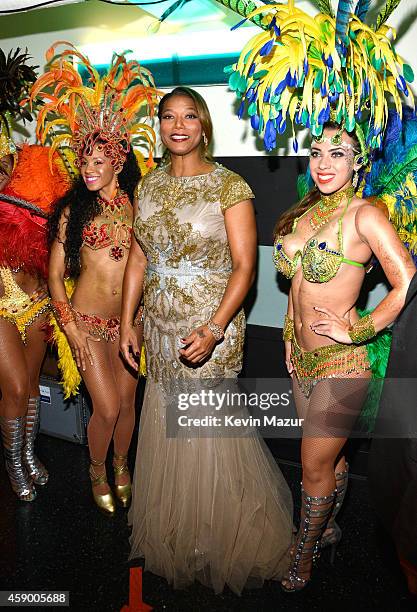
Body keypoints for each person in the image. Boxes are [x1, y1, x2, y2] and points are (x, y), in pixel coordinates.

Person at [225, 0, 417, 593]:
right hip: (300, 358)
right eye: (319, 151)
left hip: (343, 361)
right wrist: (287, 335)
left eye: (340, 152)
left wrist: (360, 329)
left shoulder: (365, 214)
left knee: (310, 465)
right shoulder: (302, 214)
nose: (326, 161)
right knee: (327, 462)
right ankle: (326, 526)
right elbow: (296, 289)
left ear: (359, 165)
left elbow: (407, 278)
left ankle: (302, 551)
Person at [120, 86, 293, 595]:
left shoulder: (229, 186)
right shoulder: (147, 187)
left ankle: (222, 535)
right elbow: (138, 259)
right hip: (160, 323)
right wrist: (129, 321)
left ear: (204, 125)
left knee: (208, 425)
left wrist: (215, 327)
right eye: (168, 117)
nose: (178, 126)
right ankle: (180, 528)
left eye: (189, 116)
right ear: (159, 124)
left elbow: (245, 268)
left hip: (208, 327)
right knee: (167, 421)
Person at [30, 42, 159, 515]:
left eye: (98, 161)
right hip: (84, 324)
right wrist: (70, 327)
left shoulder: (140, 205)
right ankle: (97, 469)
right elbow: (56, 275)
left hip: (128, 325)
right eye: (83, 161)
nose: (88, 168)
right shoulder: (71, 211)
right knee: (104, 409)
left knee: (128, 408)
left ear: (118, 163)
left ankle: (122, 464)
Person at [0, 49, 70, 502]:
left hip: (36, 293)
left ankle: (26, 453)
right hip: (0, 297)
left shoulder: (27, 160)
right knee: (14, 386)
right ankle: (13, 464)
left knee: (30, 391)